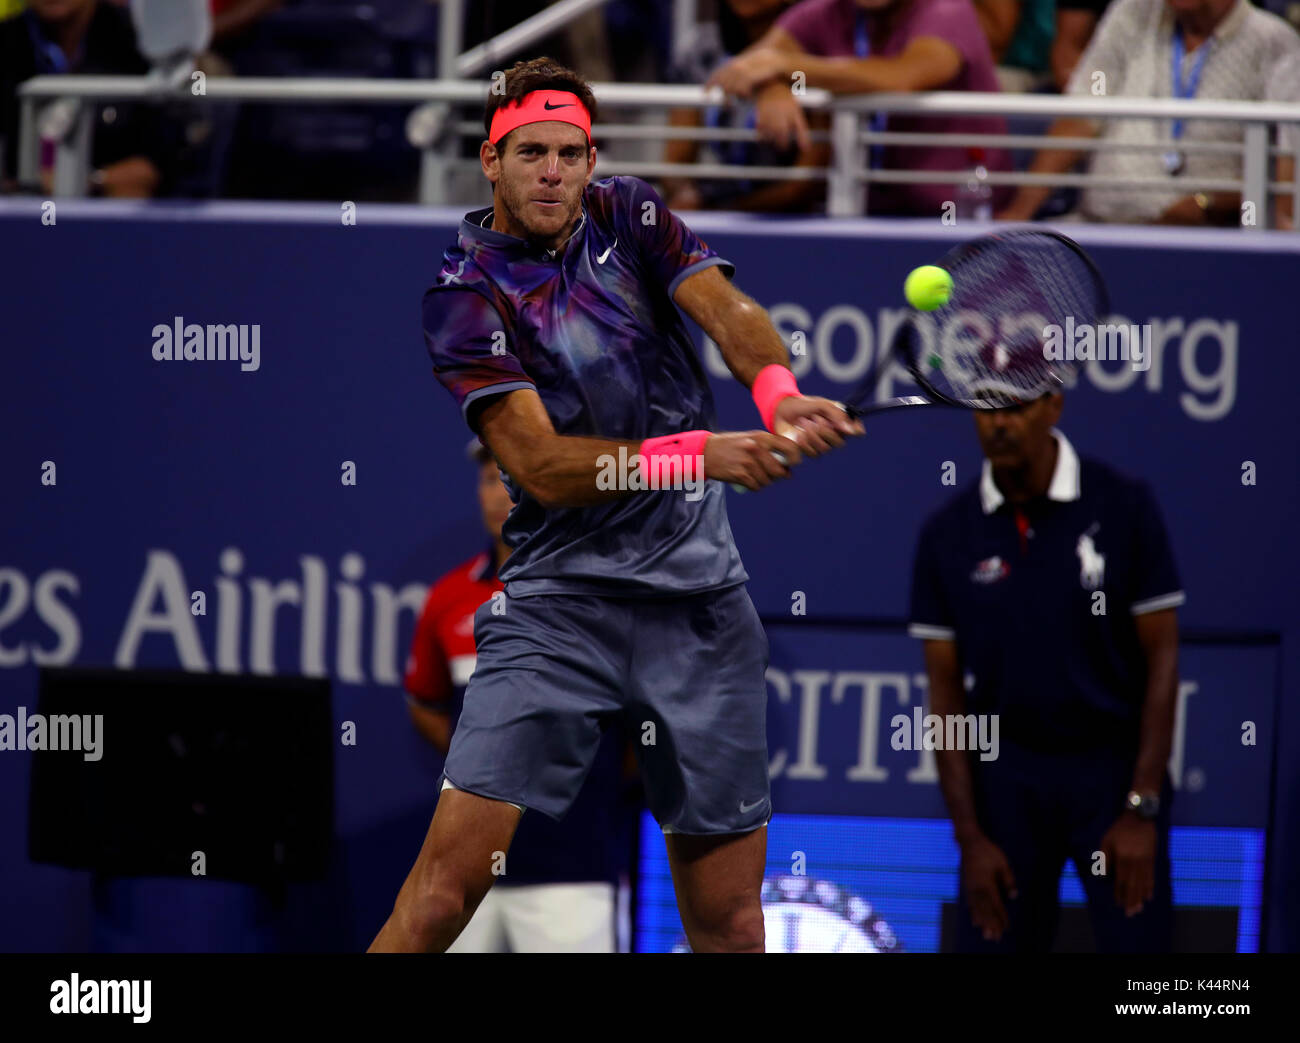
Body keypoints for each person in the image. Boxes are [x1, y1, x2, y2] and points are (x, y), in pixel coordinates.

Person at [368, 57, 862, 954]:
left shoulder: (630, 211)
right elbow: (543, 466)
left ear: (593, 161)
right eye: (531, 153)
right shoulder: (463, 295)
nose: (552, 171)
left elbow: (729, 312)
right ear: (491, 160)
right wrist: (700, 457)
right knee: (441, 896)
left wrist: (779, 393)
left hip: (699, 605)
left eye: (570, 152)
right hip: (559, 605)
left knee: (728, 922)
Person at [909, 392, 1185, 952]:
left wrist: (1142, 805)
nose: (1000, 424)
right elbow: (945, 696)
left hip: (1112, 774)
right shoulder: (948, 536)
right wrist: (969, 838)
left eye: (1016, 407)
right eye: (986, 409)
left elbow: (1164, 659)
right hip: (1005, 781)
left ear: (1054, 405)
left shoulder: (1124, 508)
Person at [402, 438, 633, 952]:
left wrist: (571, 778)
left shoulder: (605, 595)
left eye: (512, 478)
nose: (498, 494)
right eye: (488, 479)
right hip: (461, 872)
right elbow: (424, 702)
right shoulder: (447, 597)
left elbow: (645, 728)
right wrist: (486, 765)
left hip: (573, 871)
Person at [997, 0, 1300, 225]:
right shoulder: (1131, 14)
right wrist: (1019, 212)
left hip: (1209, 238)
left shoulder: (1275, 44)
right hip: (1097, 225)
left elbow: (1283, 179)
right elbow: (1081, 118)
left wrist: (1208, 203)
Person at [706, 0, 1015, 217]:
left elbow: (902, 76)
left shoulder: (947, 10)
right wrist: (773, 87)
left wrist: (784, 65)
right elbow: (744, 67)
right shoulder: (825, 11)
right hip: (867, 215)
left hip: (959, 221)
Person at [661, 0, 830, 214]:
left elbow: (806, 182)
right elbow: (676, 161)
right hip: (720, 208)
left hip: (799, 218)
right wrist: (686, 195)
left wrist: (724, 210)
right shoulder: (701, 50)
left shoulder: (814, 53)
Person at [0, 0, 179, 196]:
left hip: (120, 214)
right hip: (19, 212)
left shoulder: (145, 42)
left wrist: (89, 182)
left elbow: (163, 161)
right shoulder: (8, 42)